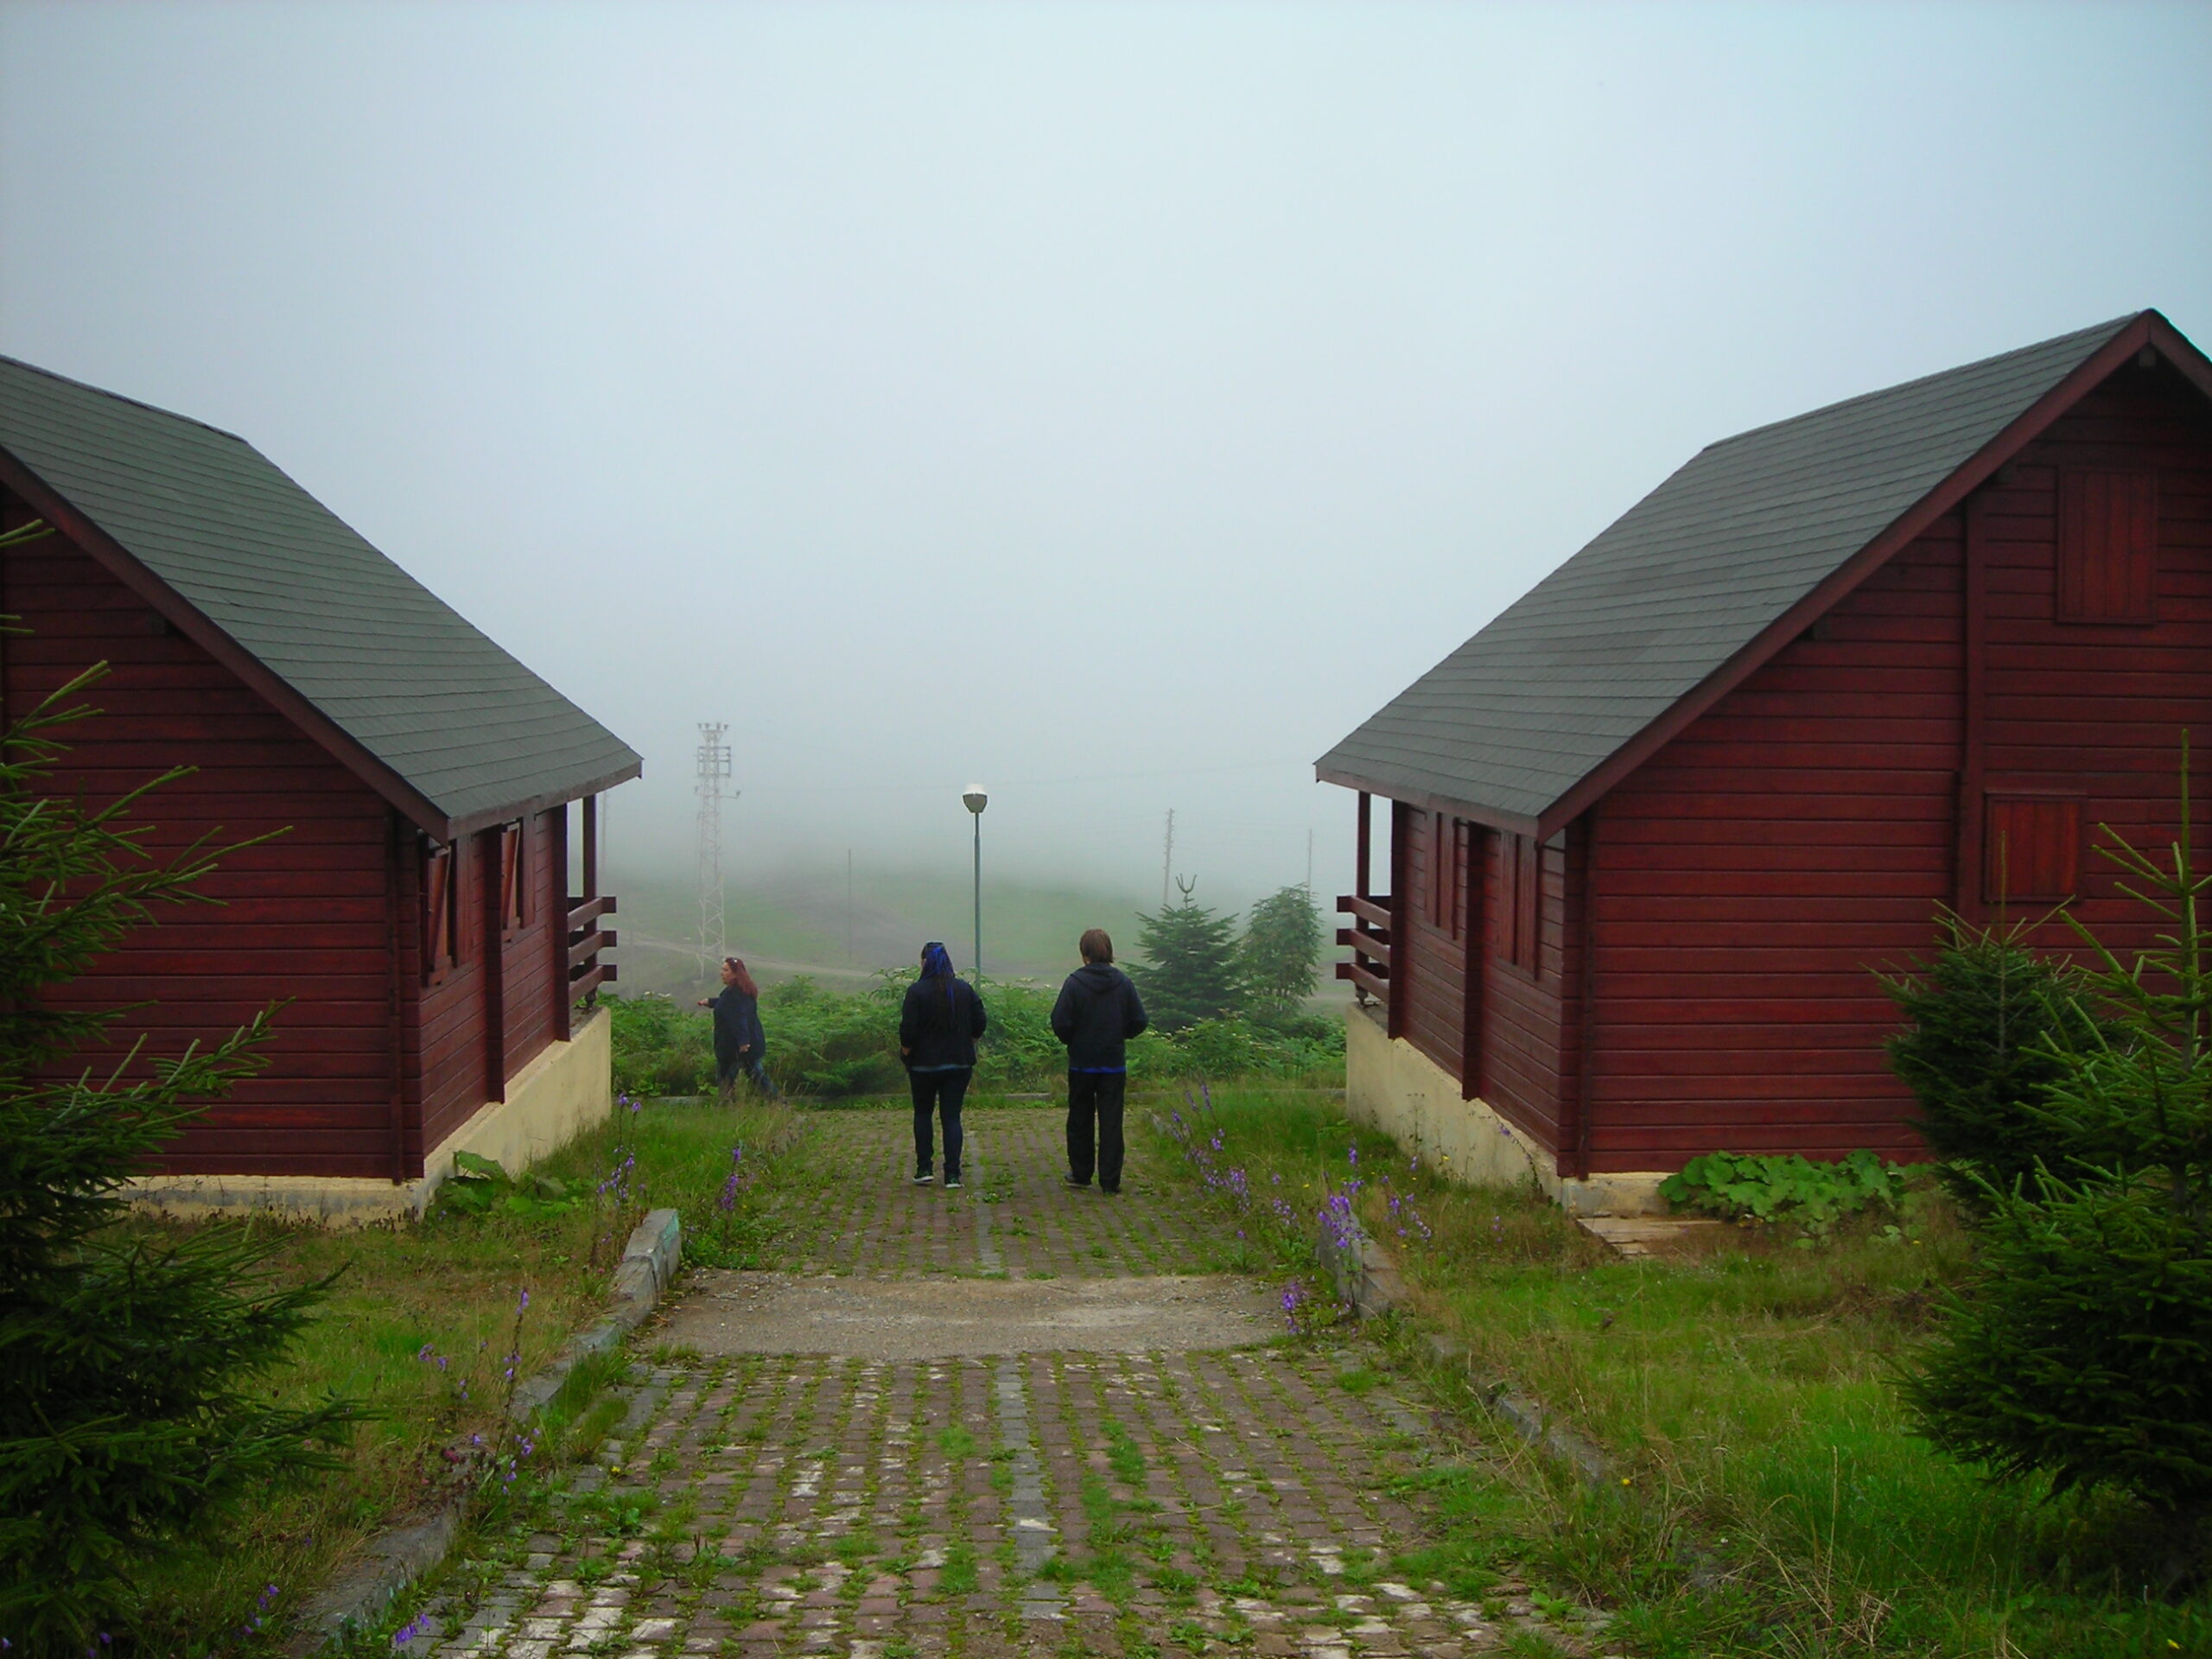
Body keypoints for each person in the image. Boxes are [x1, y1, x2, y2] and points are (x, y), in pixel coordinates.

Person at [1049, 928, 1147, 1194]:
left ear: (1084, 954)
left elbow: (1060, 1021)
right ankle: (1110, 1180)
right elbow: (1140, 1020)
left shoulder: (1074, 983)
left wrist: (1073, 1040)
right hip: (1113, 1063)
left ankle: (1081, 1174)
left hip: (1082, 1062)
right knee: (1111, 1122)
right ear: (1109, 951)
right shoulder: (1123, 982)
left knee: (1080, 1118)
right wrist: (1120, 1035)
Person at [899, 941, 987, 1188]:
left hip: (923, 1066)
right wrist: (969, 1041)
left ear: (925, 962)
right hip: (958, 1064)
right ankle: (952, 1174)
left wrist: (906, 1053)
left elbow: (908, 1030)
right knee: (951, 1117)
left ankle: (924, 1168)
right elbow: (980, 1020)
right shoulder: (963, 990)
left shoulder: (916, 992)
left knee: (923, 1114)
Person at [699, 957, 777, 1099]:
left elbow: (740, 1018)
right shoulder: (742, 991)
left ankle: (727, 1104)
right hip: (748, 1045)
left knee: (727, 1077)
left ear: (735, 974)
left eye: (726, 970)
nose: (722, 973)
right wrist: (710, 1002)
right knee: (757, 1076)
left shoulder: (734, 994)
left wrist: (743, 1041)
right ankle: (777, 1103)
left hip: (735, 1047)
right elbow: (727, 1006)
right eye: (722, 969)